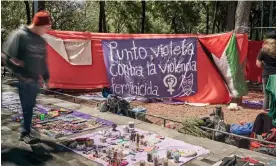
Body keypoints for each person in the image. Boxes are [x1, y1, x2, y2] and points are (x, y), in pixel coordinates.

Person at [2, 11, 51, 144]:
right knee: (27, 106)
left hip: (35, 79)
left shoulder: (41, 40)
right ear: (38, 24)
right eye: (46, 27)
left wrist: (46, 78)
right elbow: (5, 56)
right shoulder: (20, 35)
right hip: (24, 79)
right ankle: (25, 133)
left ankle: (27, 128)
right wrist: (19, 73)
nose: (47, 30)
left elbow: (42, 60)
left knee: (31, 106)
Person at [256, 30, 276, 111]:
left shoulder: (263, 50)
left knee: (266, 94)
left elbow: (258, 64)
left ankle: (265, 110)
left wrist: (265, 65)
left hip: (267, 74)